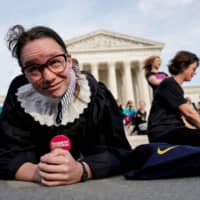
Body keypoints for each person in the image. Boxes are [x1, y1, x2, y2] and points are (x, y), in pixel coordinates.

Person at [0, 25, 131, 186]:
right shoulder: (19, 95)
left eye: (55, 62)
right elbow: (5, 154)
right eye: (33, 69)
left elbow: (120, 152)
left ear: (69, 60)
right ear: (24, 73)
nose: (48, 77)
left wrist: (82, 170)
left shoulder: (97, 95)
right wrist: (38, 173)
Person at [147, 50, 200, 146]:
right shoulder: (169, 84)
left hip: (171, 130)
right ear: (184, 66)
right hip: (164, 133)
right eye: (193, 69)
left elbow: (182, 117)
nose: (194, 73)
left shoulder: (174, 86)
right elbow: (189, 113)